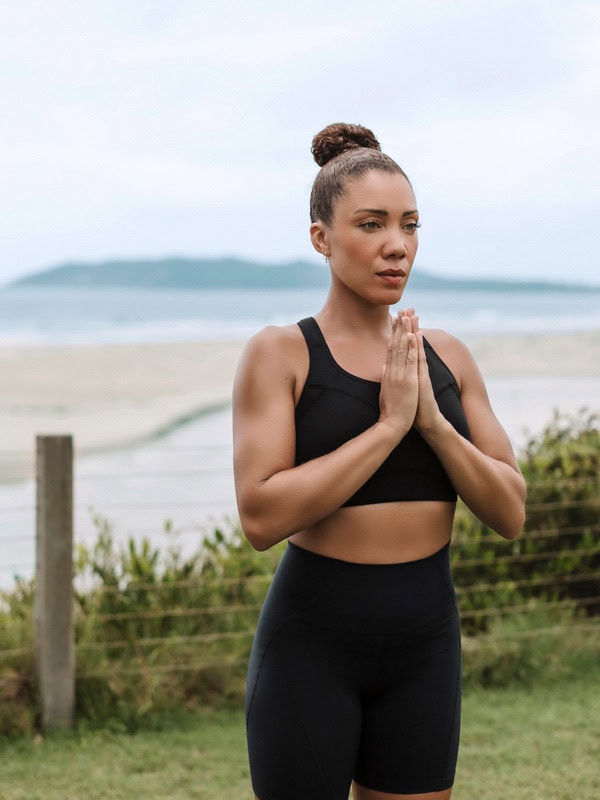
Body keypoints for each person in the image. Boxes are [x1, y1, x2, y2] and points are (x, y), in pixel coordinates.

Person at [232, 122, 526, 800]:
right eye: (371, 224)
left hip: (426, 643)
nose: (397, 245)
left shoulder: (448, 357)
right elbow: (260, 515)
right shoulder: (282, 354)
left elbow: (509, 511)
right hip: (311, 645)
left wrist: (433, 425)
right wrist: (389, 427)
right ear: (321, 238)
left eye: (410, 225)